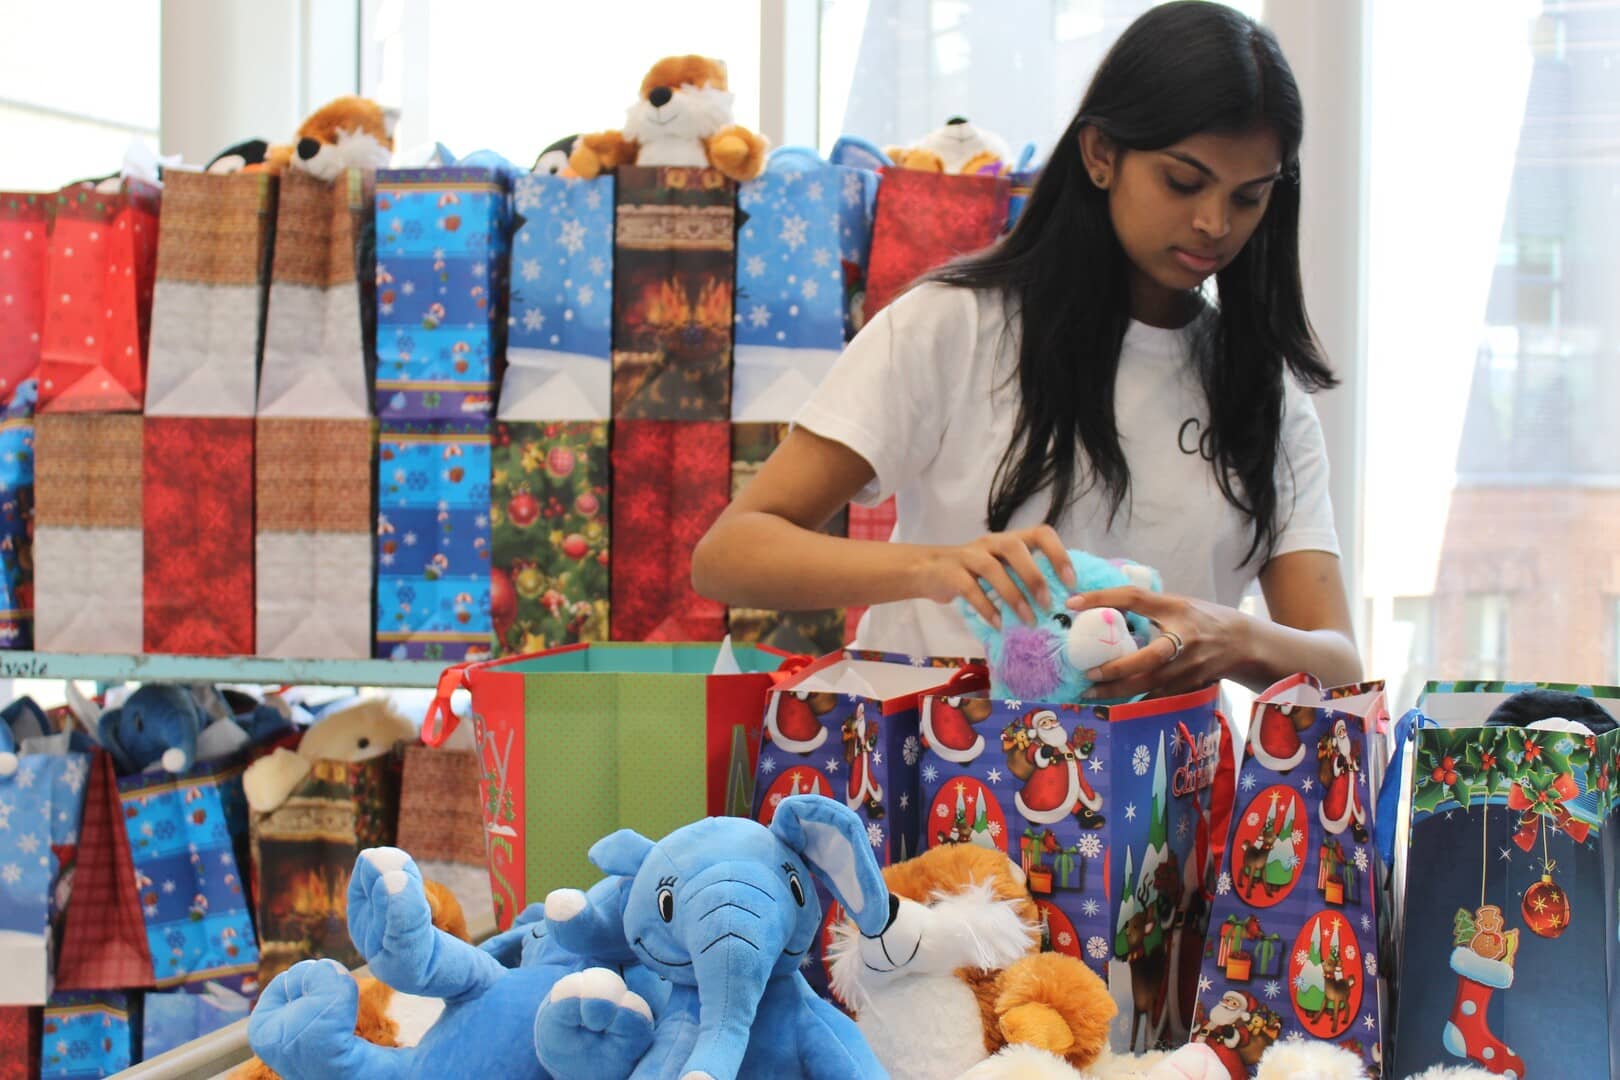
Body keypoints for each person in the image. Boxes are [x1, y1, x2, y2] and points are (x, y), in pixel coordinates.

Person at [693, 2, 1361, 698]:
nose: (1214, 223)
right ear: (1101, 154)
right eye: (1183, 182)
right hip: (937, 782)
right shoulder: (953, 325)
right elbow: (729, 554)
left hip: (1155, 790)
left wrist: (1235, 637)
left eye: (1249, 197)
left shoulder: (1261, 388)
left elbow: (1339, 662)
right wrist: (940, 568)